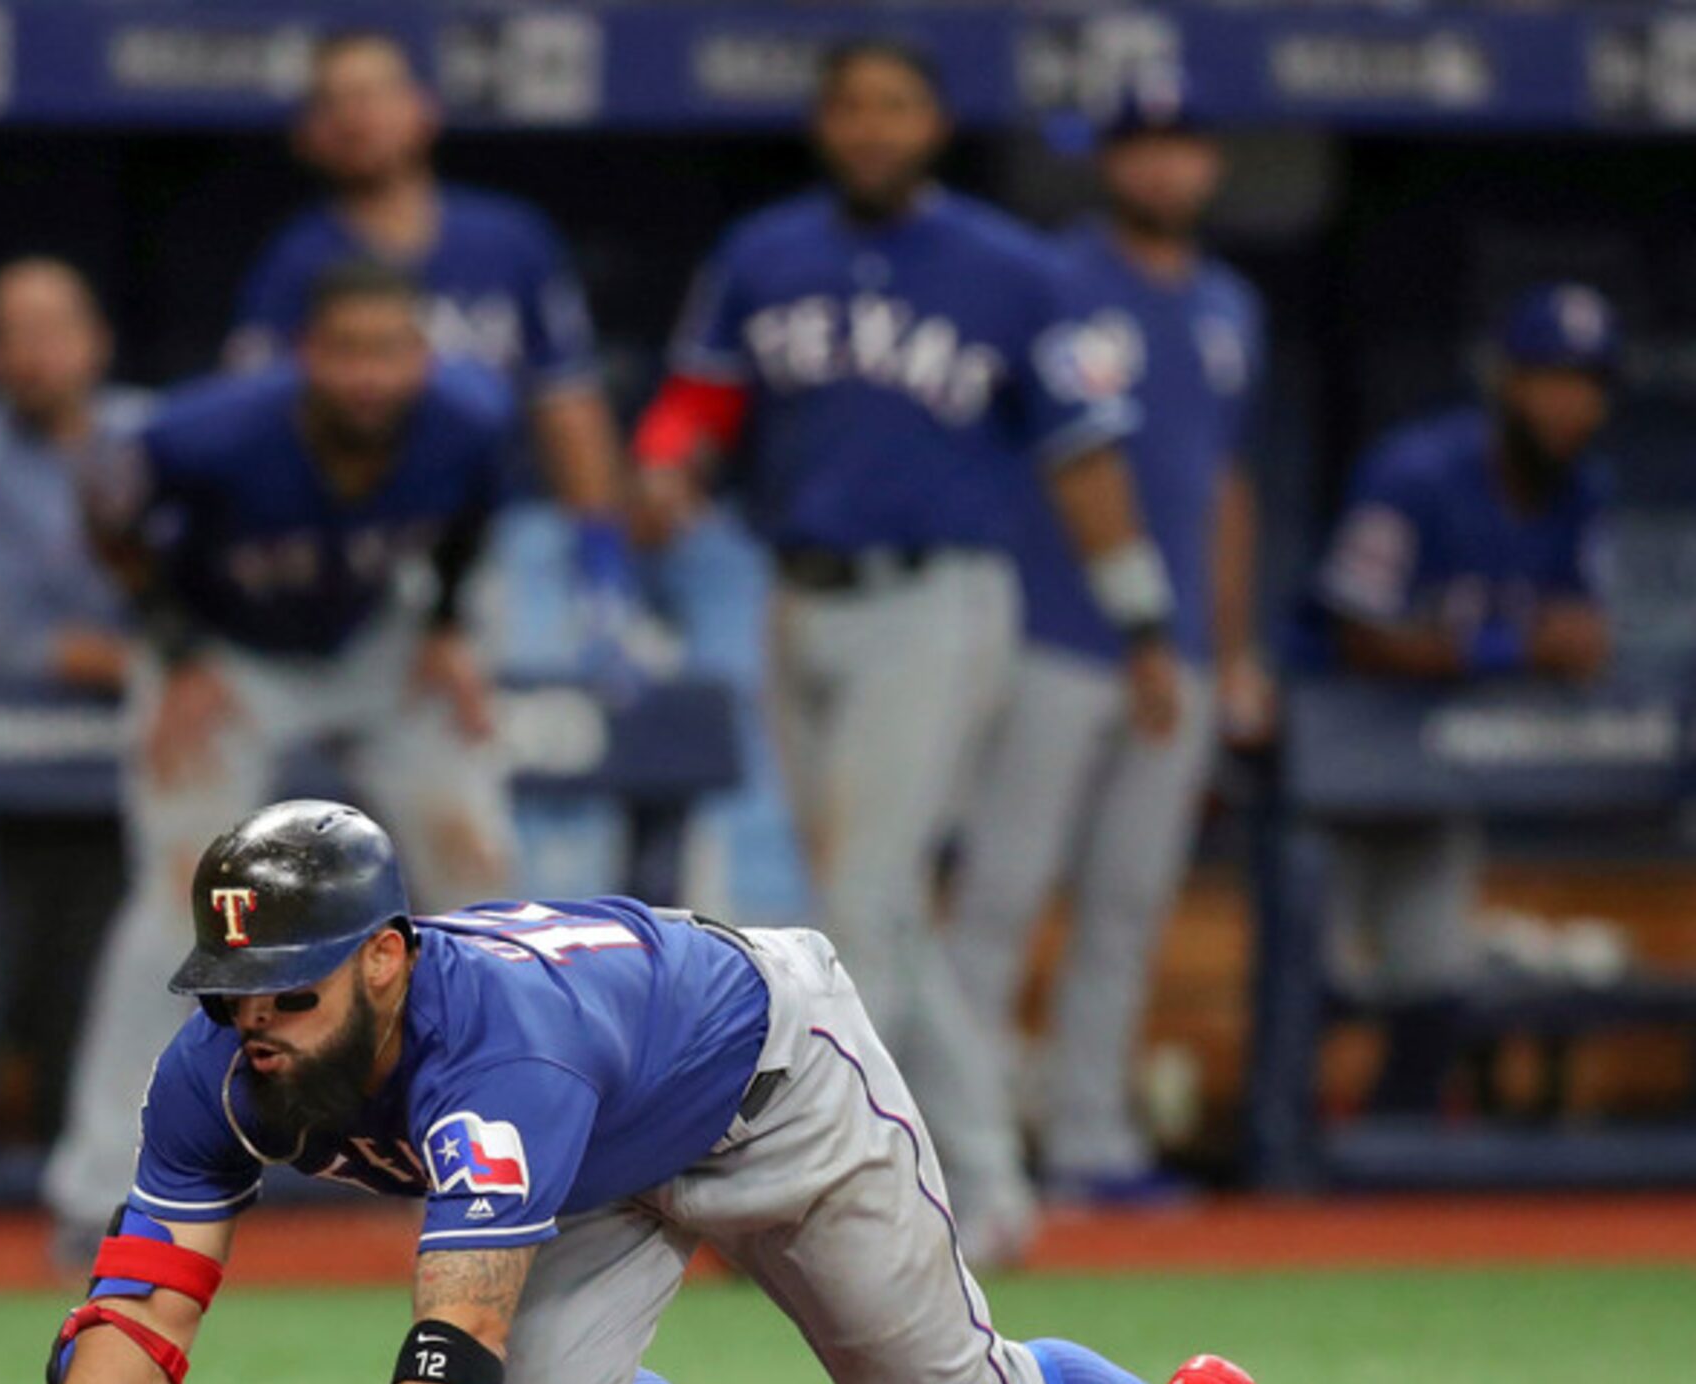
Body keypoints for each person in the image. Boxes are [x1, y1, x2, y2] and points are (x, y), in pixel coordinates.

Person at [0, 800, 1344, 1384]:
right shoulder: (223, 1069)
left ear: (380, 958)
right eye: (232, 998)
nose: (256, 1032)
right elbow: (145, 1302)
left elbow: (459, 1318)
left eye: (286, 996)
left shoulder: (498, 1049)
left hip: (768, 1083)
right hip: (598, 1159)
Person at [630, 39, 1178, 1264]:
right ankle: (985, 1186)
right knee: (875, 914)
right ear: (825, 125)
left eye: (895, 107)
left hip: (939, 601)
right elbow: (700, 401)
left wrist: (1140, 620)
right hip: (798, 597)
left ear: (933, 125)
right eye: (851, 107)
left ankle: (847, 1201)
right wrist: (666, 464)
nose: (871, 128)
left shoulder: (1007, 268)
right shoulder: (762, 256)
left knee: (865, 903)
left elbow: (1084, 455)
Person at [39, 261, 522, 1263]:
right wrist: (172, 650)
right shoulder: (211, 431)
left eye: (389, 351)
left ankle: (498, 1161)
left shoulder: (467, 419)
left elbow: (474, 515)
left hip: (375, 646)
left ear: (420, 358)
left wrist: (442, 626)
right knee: (184, 898)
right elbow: (105, 503)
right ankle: (99, 1188)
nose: (368, 375)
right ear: (306, 355)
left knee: (476, 872)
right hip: (232, 654)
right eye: (346, 351)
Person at [942, 90, 1271, 1205]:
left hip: (1170, 653)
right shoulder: (1056, 281)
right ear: (1110, 162)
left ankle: (1090, 1140)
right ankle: (959, 1142)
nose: (1164, 169)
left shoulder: (1230, 305)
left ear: (1209, 164)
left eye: (1182, 146)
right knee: (1002, 892)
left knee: (1127, 904)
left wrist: (1225, 651)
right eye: (1142, 148)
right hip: (1047, 634)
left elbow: (1222, 487)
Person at [1293, 283, 1618, 1113]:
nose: (1566, 403)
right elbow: (1358, 633)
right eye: (1549, 377)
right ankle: (1281, 1179)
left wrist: (1532, 645)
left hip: (1439, 768)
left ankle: (1392, 1178)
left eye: (1585, 383)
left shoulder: (1582, 492)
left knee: (1433, 985)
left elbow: (1586, 641)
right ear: (1508, 381)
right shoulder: (1414, 472)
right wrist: (1509, 645)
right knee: (1310, 984)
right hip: (1334, 761)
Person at [227, 31, 637, 668]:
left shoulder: (511, 240)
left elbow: (569, 407)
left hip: (507, 534)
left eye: (374, 94)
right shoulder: (292, 263)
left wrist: (600, 555)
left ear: (424, 112)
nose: (357, 117)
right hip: (359, 537)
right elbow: (255, 427)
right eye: (335, 102)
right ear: (309, 134)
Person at [0, 259, 147, 1138]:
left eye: (52, 331)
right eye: (10, 336)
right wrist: (149, 661)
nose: (32, 355)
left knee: (125, 970)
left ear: (96, 341)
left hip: (138, 753)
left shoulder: (153, 433)